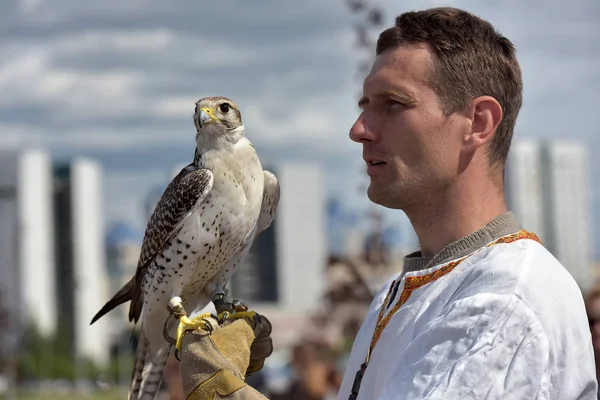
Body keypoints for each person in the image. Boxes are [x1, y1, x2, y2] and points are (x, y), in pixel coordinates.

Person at [171, 6, 598, 400]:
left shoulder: (501, 302)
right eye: (364, 106)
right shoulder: (407, 290)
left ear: (478, 123)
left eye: (393, 104)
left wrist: (223, 393)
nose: (359, 129)